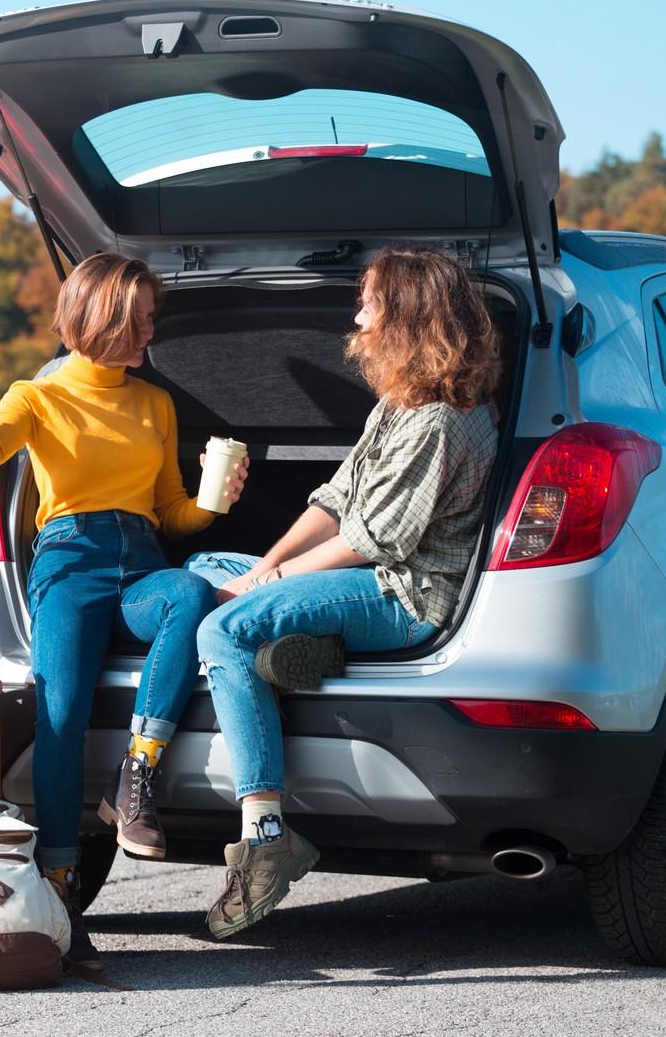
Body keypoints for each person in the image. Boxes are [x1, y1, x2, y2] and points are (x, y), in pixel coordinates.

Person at [0, 252, 248, 970]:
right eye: (141, 320)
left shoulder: (154, 404)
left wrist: (213, 502)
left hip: (139, 561)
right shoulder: (38, 397)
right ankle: (63, 890)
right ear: (102, 321)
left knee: (189, 594)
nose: (150, 334)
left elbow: (170, 513)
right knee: (60, 717)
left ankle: (137, 774)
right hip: (68, 562)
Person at [187, 245, 502, 940]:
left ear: (407, 315)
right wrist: (266, 562)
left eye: (369, 301)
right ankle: (306, 646)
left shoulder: (439, 419)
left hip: (403, 594)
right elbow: (338, 499)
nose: (356, 313)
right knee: (208, 562)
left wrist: (267, 586)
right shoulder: (399, 401)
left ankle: (267, 834)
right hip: (361, 573)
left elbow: (375, 539)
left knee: (220, 629)